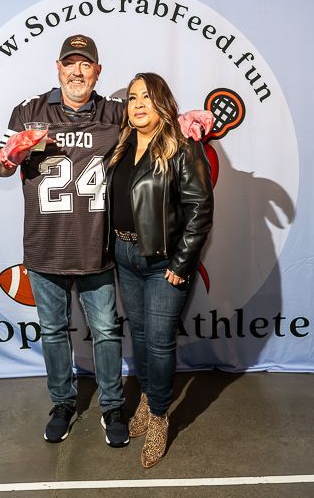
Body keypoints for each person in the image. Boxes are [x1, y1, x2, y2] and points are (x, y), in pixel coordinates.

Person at [0, 34, 130, 447]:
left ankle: (112, 406)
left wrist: (184, 124)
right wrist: (9, 155)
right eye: (70, 63)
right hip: (45, 246)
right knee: (52, 331)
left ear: (97, 71)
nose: (77, 72)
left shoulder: (115, 113)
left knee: (106, 330)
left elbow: (155, 136)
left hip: (96, 247)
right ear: (58, 68)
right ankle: (63, 404)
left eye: (85, 64)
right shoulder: (29, 111)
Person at [106, 72, 214, 468]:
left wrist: (182, 263)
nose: (138, 104)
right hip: (124, 256)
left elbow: (200, 209)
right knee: (139, 335)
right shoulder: (122, 145)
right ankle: (148, 397)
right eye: (133, 98)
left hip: (164, 263)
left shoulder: (182, 146)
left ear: (162, 103)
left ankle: (158, 416)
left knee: (159, 341)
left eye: (147, 97)